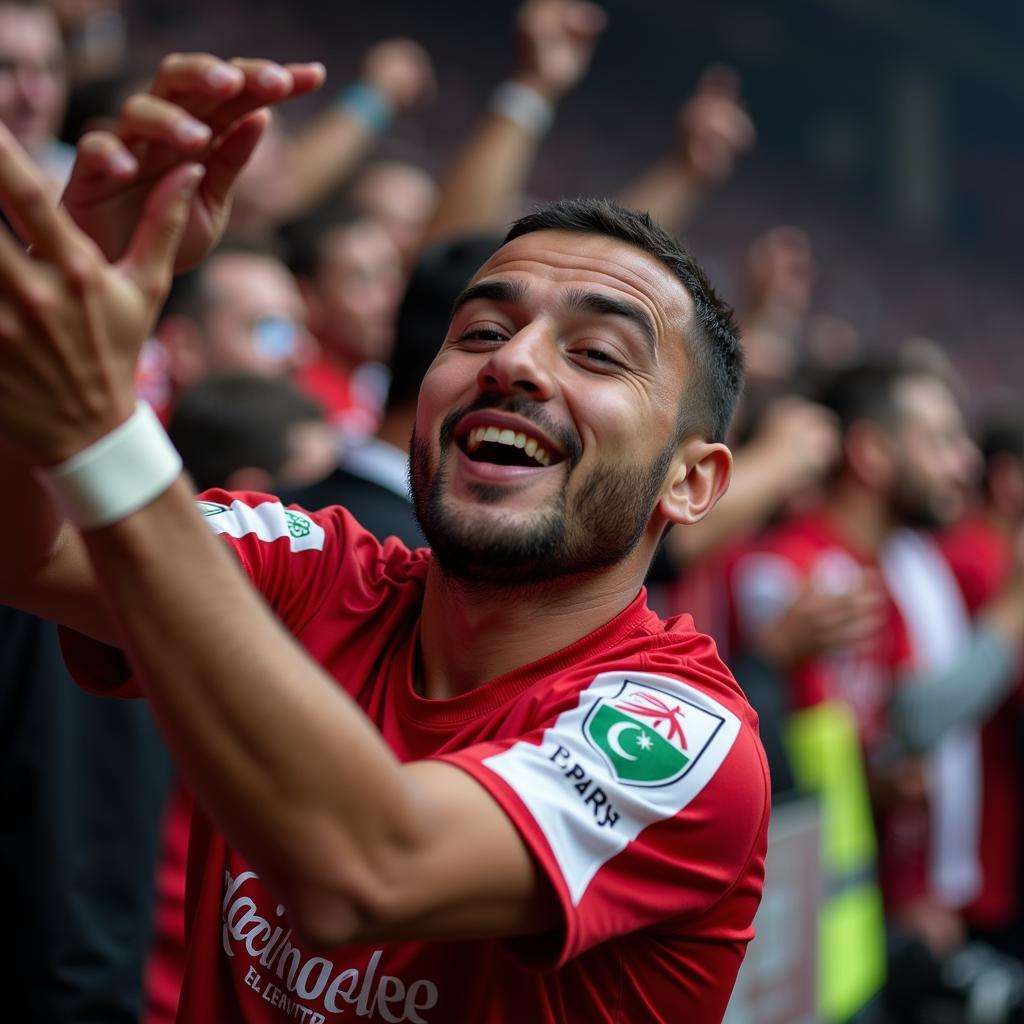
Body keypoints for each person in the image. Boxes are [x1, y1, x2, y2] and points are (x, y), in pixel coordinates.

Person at [0, 54, 768, 1023]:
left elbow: (366, 868)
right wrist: (71, 278)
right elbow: (29, 548)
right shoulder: (316, 568)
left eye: (596, 352)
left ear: (692, 480)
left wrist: (104, 434)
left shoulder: (683, 741)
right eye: (481, 332)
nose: (515, 364)